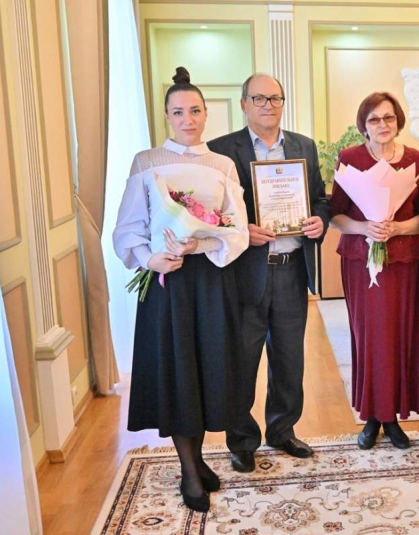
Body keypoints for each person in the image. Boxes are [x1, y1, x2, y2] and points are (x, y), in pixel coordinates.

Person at [113, 67, 250, 512]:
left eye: (194, 110)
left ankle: (199, 458)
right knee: (177, 372)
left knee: (207, 369)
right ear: (166, 116)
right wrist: (150, 258)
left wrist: (201, 243)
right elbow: (127, 228)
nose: (187, 119)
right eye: (178, 112)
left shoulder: (222, 165)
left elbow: (238, 229)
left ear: (206, 113)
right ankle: (189, 470)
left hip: (210, 279)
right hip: (166, 282)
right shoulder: (146, 162)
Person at [208, 73, 329, 472]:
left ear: (282, 103)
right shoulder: (221, 151)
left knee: (290, 360)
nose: (267, 105)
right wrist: (241, 231)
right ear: (244, 103)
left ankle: (282, 430)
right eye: (259, 98)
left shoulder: (303, 146)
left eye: (275, 98)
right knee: (242, 361)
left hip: (292, 271)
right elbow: (212, 215)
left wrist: (320, 221)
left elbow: (319, 200)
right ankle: (242, 439)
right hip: (245, 275)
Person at [329, 92, 419, 450]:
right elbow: (335, 215)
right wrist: (365, 227)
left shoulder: (418, 160)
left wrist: (397, 228)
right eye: (374, 119)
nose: (382, 125)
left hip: (402, 262)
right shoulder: (350, 158)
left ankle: (393, 417)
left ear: (398, 121)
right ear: (364, 125)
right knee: (368, 336)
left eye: (388, 117)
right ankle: (372, 416)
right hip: (361, 263)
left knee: (399, 336)